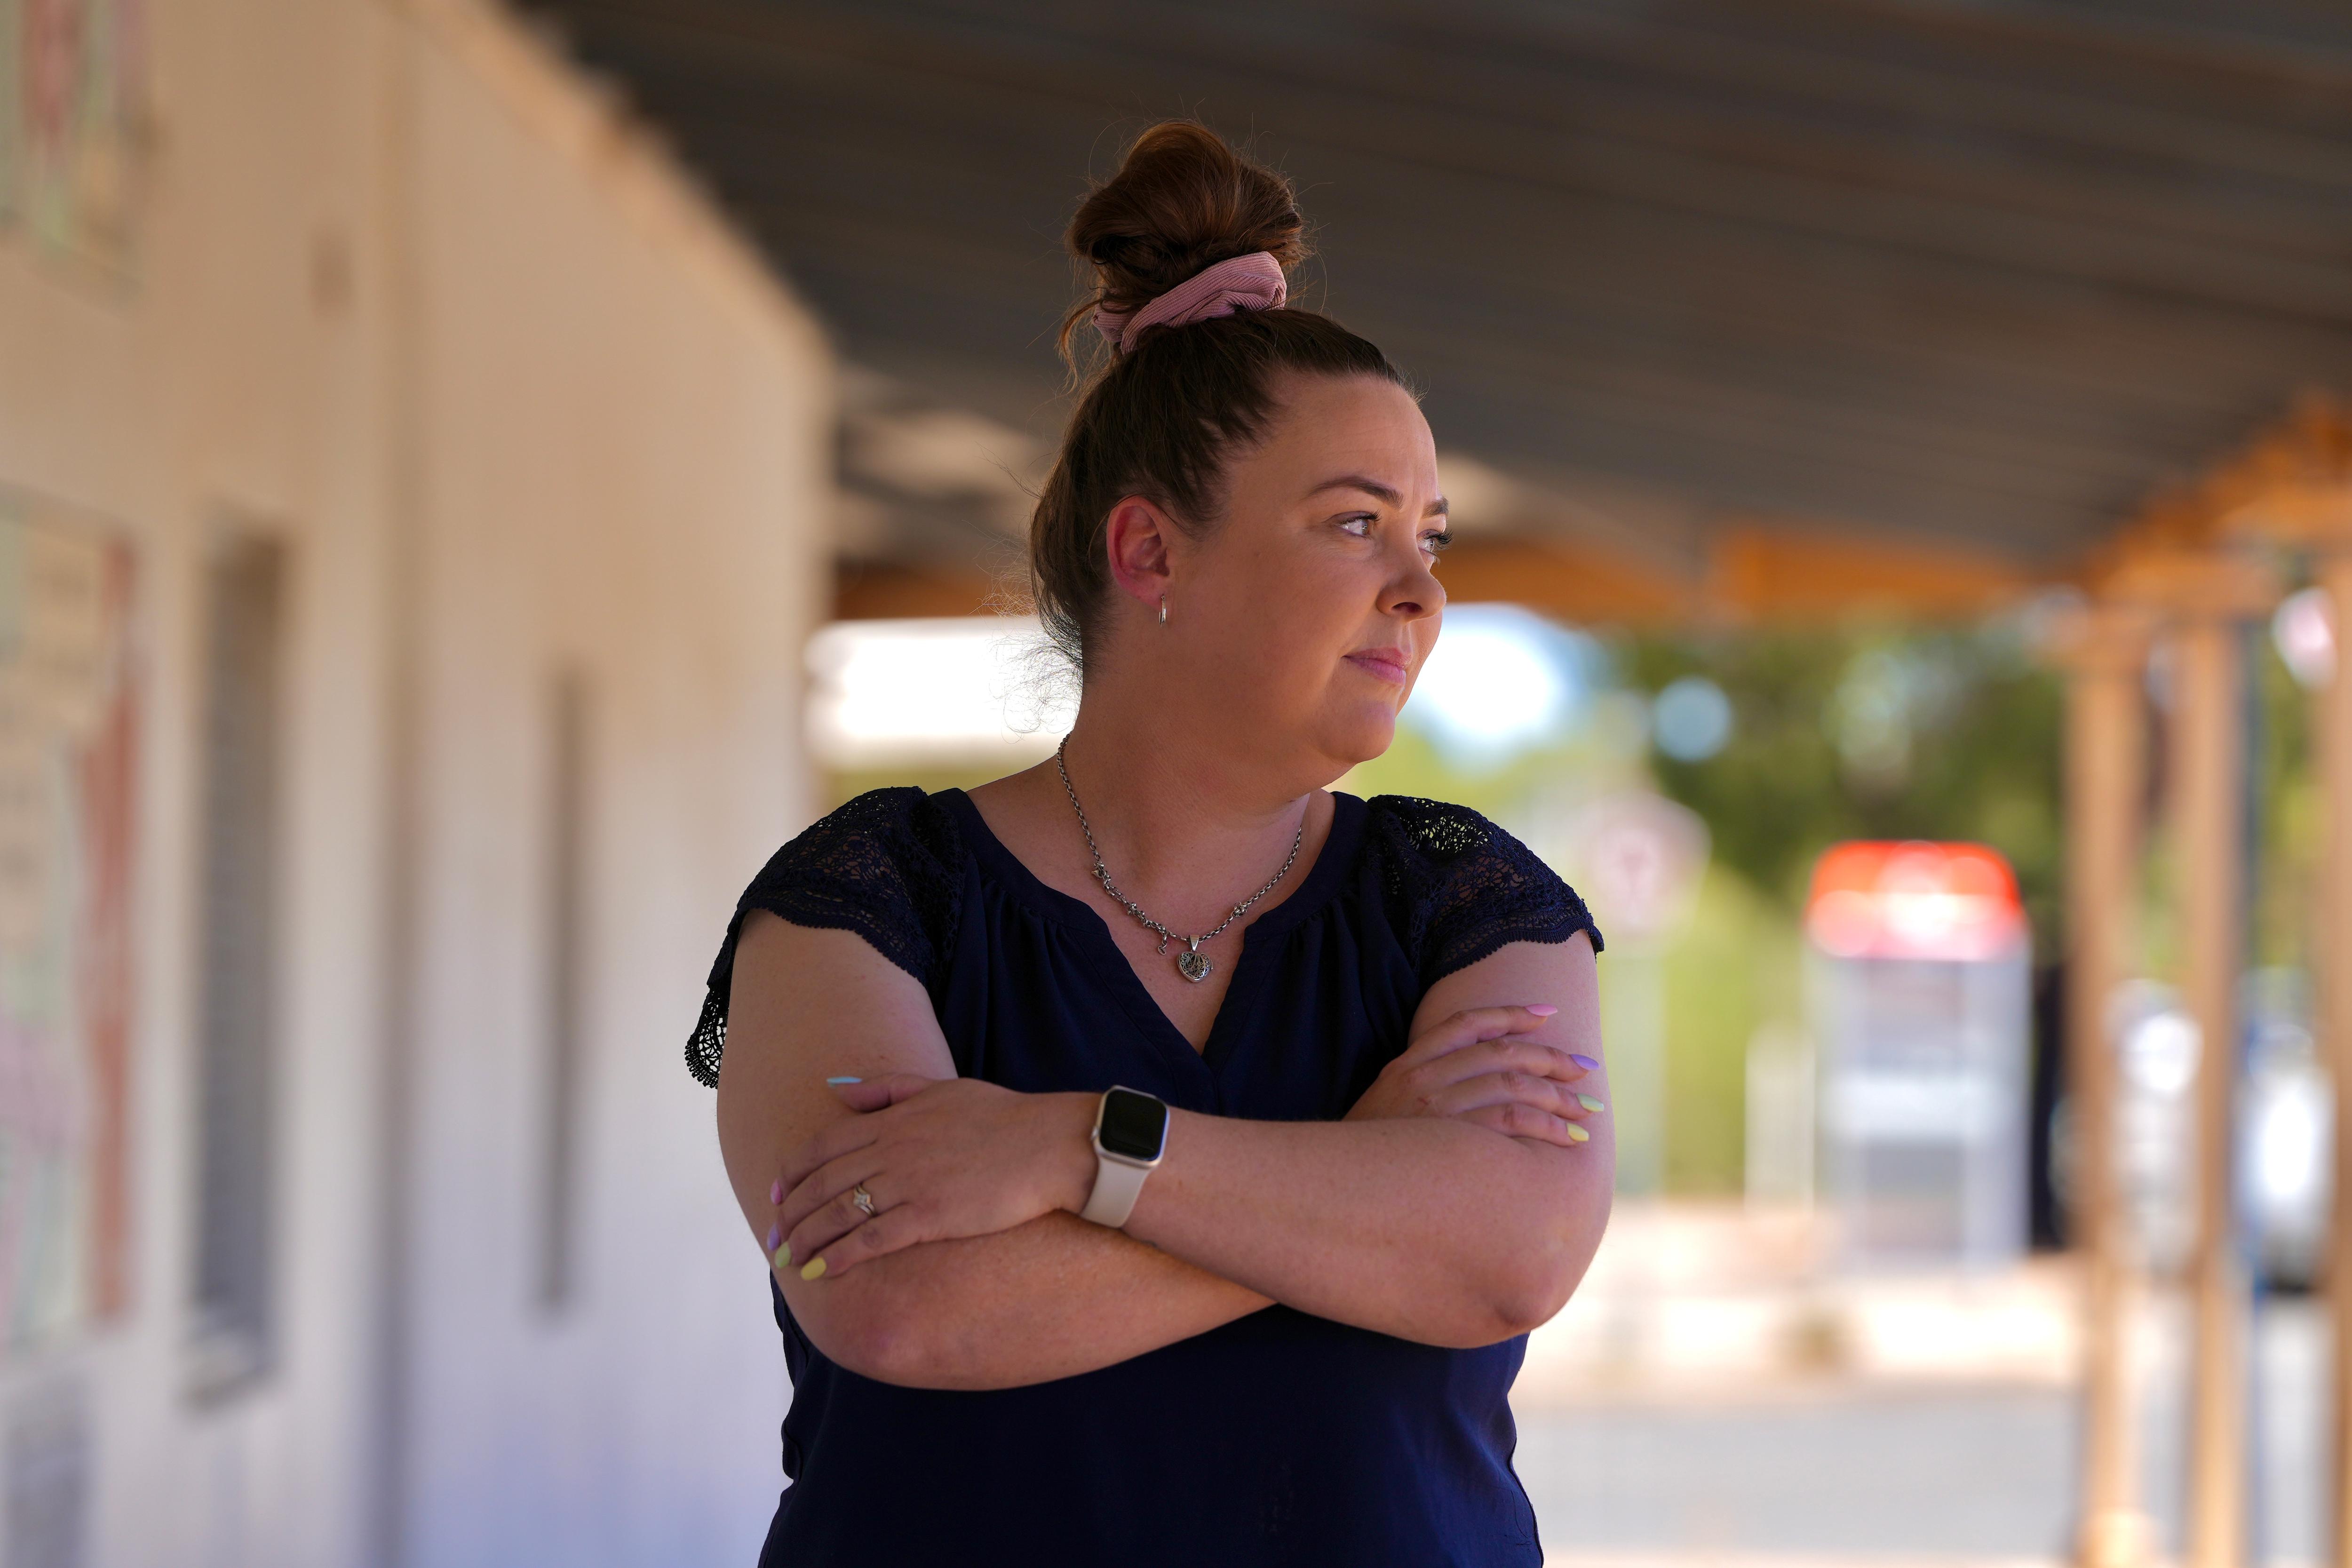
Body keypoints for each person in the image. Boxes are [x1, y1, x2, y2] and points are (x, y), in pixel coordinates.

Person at [688, 121, 1612, 1567]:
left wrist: (1078, 1148)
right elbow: (907, 1307)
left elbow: (1514, 1254)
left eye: (1430, 538)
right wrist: (1359, 1176)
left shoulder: (1466, 902)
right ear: (1151, 555)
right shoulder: (869, 903)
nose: (1420, 591)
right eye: (1354, 526)